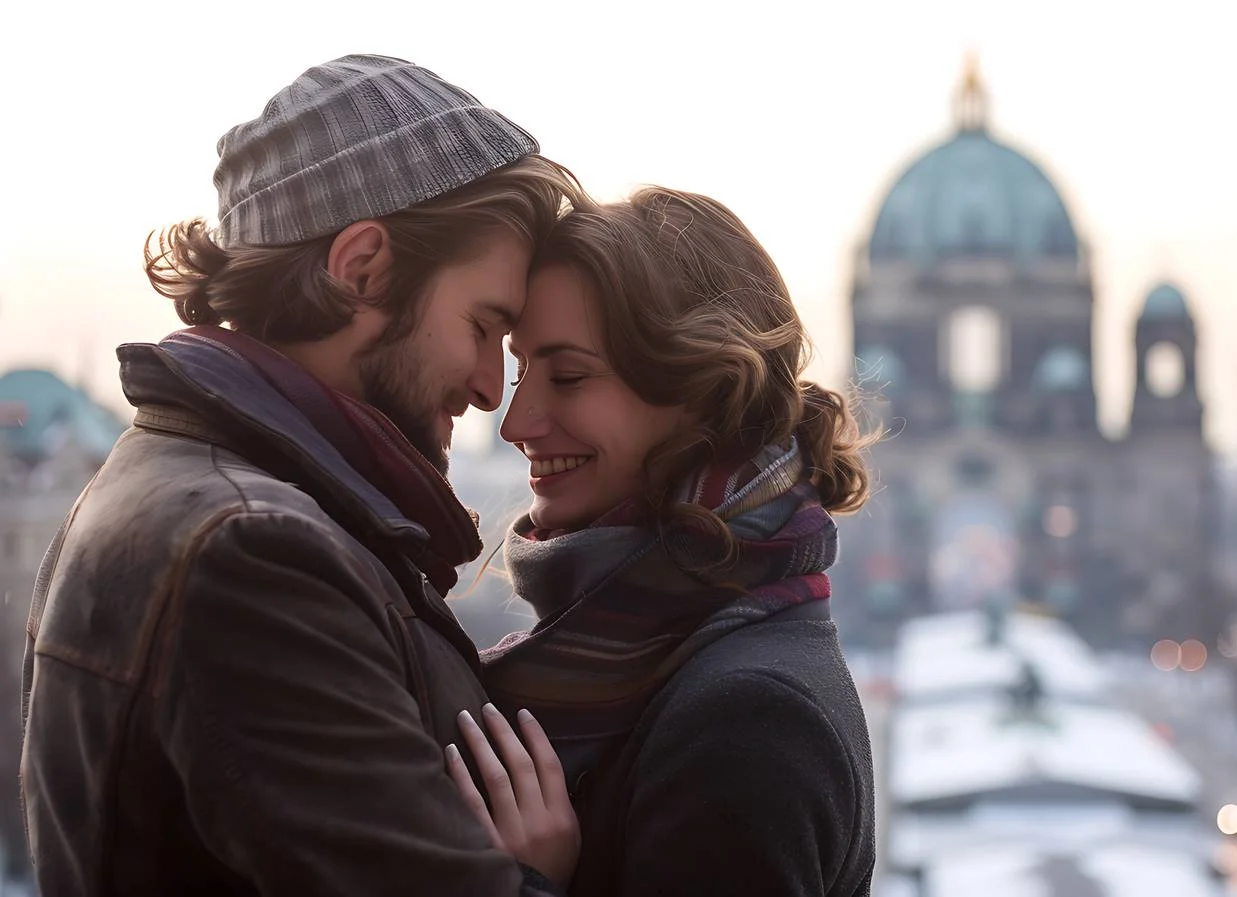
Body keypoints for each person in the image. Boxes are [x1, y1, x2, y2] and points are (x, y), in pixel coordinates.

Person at [20, 55, 586, 896]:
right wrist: (539, 876)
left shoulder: (196, 488)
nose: (486, 388)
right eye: (482, 325)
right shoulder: (249, 552)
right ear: (361, 266)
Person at [451, 187, 878, 896]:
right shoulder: (695, 650)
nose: (515, 421)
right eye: (523, 369)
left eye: (569, 375)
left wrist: (522, 886)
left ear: (705, 392)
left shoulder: (747, 723)